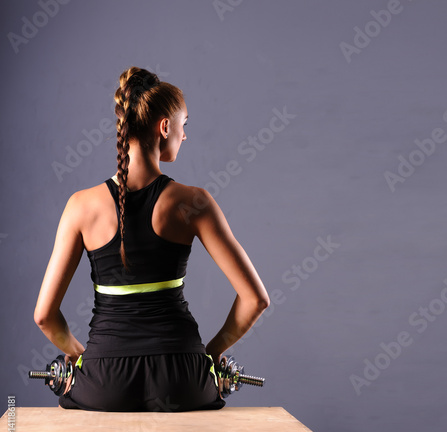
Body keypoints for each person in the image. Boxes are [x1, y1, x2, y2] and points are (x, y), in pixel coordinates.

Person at [33, 66, 270, 412]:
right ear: (164, 127)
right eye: (183, 125)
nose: (185, 136)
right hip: (183, 380)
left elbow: (44, 316)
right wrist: (210, 355)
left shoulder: (80, 206)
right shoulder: (194, 202)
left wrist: (84, 358)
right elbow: (256, 299)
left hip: (104, 381)